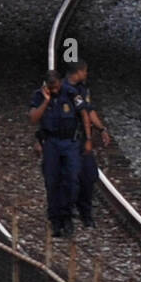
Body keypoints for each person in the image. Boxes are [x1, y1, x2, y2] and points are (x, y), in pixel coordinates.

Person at [30, 70, 82, 238]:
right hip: (51, 143)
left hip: (70, 142)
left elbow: (84, 113)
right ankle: (55, 220)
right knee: (52, 181)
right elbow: (33, 118)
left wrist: (89, 138)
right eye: (51, 88)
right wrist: (46, 101)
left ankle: (67, 216)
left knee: (72, 180)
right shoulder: (39, 95)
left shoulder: (72, 93)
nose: (55, 90)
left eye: (57, 86)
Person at [65, 60, 110, 228]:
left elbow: (89, 110)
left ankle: (85, 212)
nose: (87, 74)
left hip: (81, 140)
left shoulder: (83, 89)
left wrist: (101, 128)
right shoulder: (62, 89)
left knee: (89, 175)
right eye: (85, 71)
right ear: (78, 72)